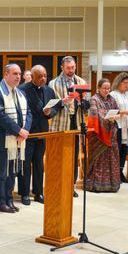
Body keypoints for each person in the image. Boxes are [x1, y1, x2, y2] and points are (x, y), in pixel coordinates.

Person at [0, 64, 32, 213]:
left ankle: (9, 199)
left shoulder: (20, 93)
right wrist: (18, 130)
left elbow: (29, 113)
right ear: (6, 75)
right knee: (1, 172)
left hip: (18, 139)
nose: (18, 76)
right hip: (2, 139)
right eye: (14, 73)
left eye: (19, 74)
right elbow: (0, 116)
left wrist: (25, 130)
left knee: (12, 172)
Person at [17, 65, 59, 205]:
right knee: (25, 163)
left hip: (42, 131)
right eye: (40, 76)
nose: (43, 79)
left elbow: (55, 108)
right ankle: (24, 193)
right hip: (27, 132)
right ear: (32, 76)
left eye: (45, 76)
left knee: (39, 163)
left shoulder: (49, 90)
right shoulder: (22, 89)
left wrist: (50, 113)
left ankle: (38, 192)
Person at [48, 56, 89, 197]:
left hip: (75, 122)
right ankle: (57, 184)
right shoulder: (53, 83)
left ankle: (70, 186)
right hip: (60, 123)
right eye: (68, 68)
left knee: (73, 157)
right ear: (62, 68)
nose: (71, 70)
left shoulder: (81, 82)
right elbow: (50, 106)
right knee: (59, 158)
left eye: (73, 67)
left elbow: (87, 105)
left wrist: (83, 103)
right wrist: (62, 102)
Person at [85, 79, 121, 192]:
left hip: (111, 134)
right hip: (98, 135)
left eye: (108, 88)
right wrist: (107, 119)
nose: (106, 90)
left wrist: (115, 117)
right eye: (104, 88)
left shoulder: (112, 99)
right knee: (99, 159)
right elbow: (96, 114)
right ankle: (96, 185)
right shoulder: (94, 99)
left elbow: (118, 111)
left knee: (112, 158)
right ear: (99, 88)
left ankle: (111, 184)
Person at [109, 73, 128, 183]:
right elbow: (112, 110)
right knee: (117, 150)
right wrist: (124, 112)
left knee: (125, 150)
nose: (127, 85)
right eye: (125, 82)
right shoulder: (113, 94)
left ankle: (121, 172)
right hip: (118, 125)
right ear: (119, 82)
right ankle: (115, 174)